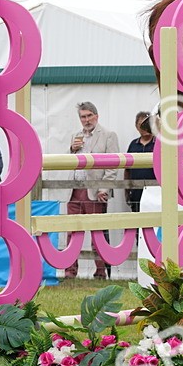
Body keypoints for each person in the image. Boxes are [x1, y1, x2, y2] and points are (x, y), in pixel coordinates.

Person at [64, 101, 120, 279]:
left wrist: (104, 188)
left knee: (97, 234)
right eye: (83, 117)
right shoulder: (76, 135)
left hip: (95, 192)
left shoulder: (109, 135)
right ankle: (70, 272)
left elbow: (113, 166)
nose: (86, 120)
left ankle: (101, 273)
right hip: (74, 190)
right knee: (72, 232)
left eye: (89, 116)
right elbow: (67, 161)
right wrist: (71, 150)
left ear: (96, 116)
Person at [124, 111, 156, 212]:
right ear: (136, 127)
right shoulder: (133, 144)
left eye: (147, 124)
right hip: (136, 191)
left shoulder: (159, 143)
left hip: (155, 191)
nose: (144, 128)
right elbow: (127, 169)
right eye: (141, 125)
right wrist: (127, 190)